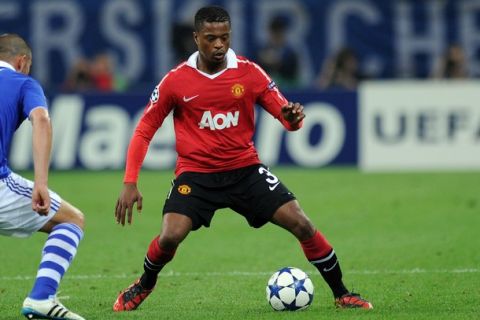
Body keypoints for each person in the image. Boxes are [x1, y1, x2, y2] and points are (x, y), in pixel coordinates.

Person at [113, 6, 372, 312]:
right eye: (211, 38)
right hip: (196, 175)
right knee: (170, 236)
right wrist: (130, 182)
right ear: (197, 38)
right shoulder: (176, 81)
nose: (219, 44)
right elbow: (144, 129)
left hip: (245, 170)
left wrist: (293, 118)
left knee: (300, 222)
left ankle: (342, 293)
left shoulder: (249, 72)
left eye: (224, 37)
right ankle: (144, 283)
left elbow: (288, 118)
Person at [0, 34, 85, 320]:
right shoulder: (24, 83)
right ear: (22, 62)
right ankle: (41, 297)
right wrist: (41, 183)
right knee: (71, 220)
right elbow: (41, 120)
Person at [256, 15, 299, 88]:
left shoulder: (290, 52)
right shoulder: (263, 49)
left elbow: (290, 69)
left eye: (279, 33)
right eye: (274, 33)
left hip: (288, 87)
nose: (276, 36)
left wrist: (276, 61)